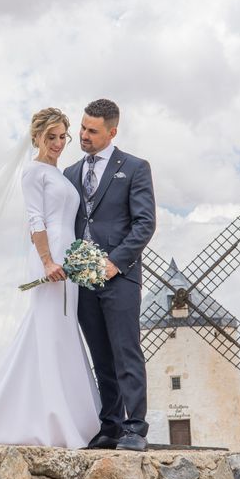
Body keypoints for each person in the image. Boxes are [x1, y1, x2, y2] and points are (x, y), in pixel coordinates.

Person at [0, 107, 100, 447]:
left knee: (60, 333)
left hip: (69, 258)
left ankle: (67, 415)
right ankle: (54, 419)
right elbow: (35, 220)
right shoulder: (33, 172)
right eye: (50, 137)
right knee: (50, 330)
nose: (57, 144)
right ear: (36, 137)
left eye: (61, 137)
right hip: (50, 256)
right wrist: (46, 260)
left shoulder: (60, 174)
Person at [64, 99, 156, 451]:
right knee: (100, 355)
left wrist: (115, 262)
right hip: (83, 281)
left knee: (125, 352)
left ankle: (135, 428)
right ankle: (111, 426)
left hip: (120, 277)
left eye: (92, 131)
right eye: (83, 128)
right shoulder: (70, 173)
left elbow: (145, 222)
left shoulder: (134, 168)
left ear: (112, 132)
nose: (83, 135)